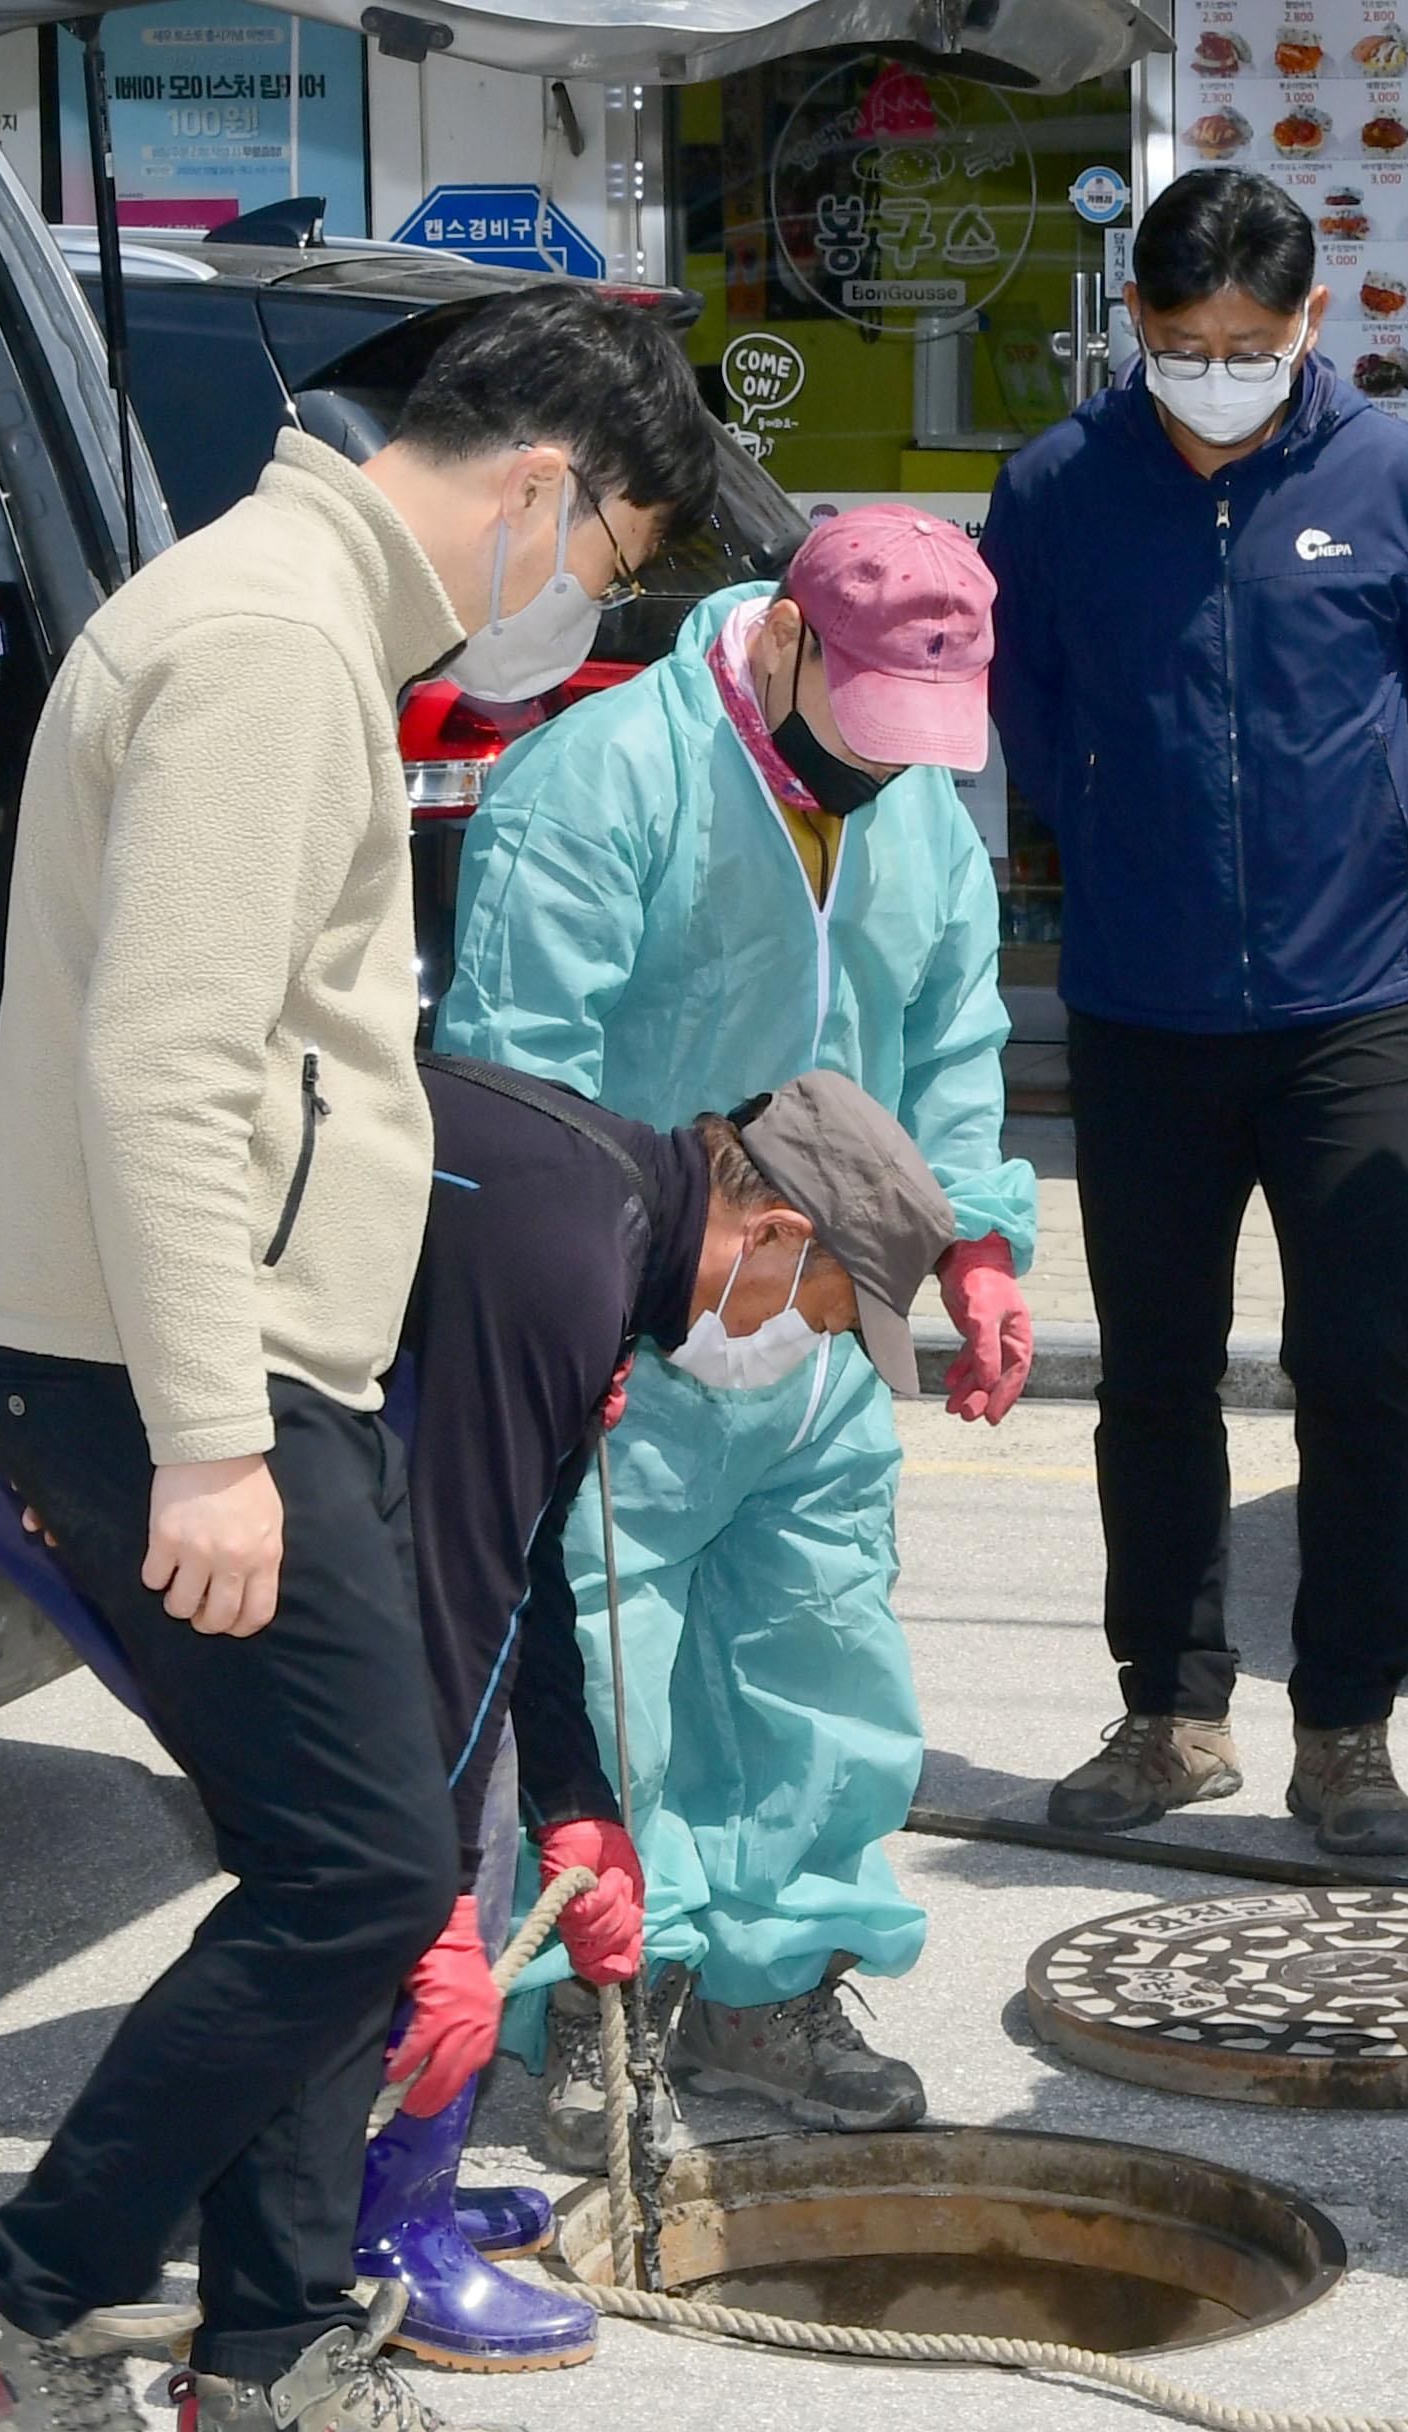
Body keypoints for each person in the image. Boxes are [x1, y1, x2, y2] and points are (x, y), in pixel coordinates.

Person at [0, 285, 715, 2432]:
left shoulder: (286, 619)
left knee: (339, 1876)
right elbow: (169, 1072)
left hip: (239, 1368)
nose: (581, 617)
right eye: (610, 568)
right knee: (365, 1869)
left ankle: (269, 2355)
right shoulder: (270, 646)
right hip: (188, 1381)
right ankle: (27, 2291)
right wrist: (214, 1439)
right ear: (544, 493)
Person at [0, 1066, 951, 2379]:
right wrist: (446, 1920)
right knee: (353, 1872)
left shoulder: (605, 1235)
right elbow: (454, 1589)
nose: (803, 1347)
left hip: (188, 1428)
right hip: (118, 1430)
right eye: (823, 1316)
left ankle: (276, 2322)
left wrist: (580, 1812)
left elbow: (525, 1561)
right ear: (779, 1234)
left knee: (358, 1870)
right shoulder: (572, 1255)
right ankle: (61, 2294)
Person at [435, 503, 1033, 2158]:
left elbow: (957, 1032)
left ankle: (773, 1985)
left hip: (824, 1331)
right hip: (635, 1314)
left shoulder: (916, 812)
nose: (891, 769)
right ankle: (592, 2004)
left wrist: (975, 1249)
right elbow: (510, 1078)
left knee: (820, 1659)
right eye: (866, 723)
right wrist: (552, 1320)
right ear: (781, 643)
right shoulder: (599, 786)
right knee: (606, 1685)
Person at [983, 167, 1408, 1856]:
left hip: (1354, 1004)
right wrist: (1117, 824)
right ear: (1135, 324)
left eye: (1253, 341)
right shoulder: (1057, 487)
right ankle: (1170, 1707)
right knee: (1155, 1374)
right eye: (1190, 339)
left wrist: (1358, 833)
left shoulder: (1402, 479)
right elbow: (1030, 705)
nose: (1221, 366)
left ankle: (1348, 1725)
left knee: (1360, 1370)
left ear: (1311, 325)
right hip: (1141, 1000)